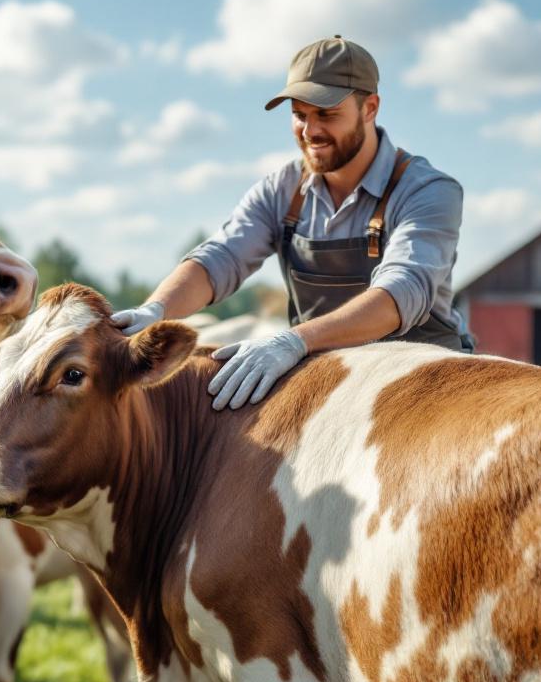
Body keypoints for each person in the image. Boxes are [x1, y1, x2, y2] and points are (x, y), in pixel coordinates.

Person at [111, 36, 471, 410]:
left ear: (370, 108)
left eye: (327, 114)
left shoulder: (428, 191)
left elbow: (401, 292)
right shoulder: (281, 190)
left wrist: (294, 341)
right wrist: (155, 311)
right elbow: (221, 258)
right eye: (300, 114)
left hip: (428, 387)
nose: (310, 131)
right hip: (328, 385)